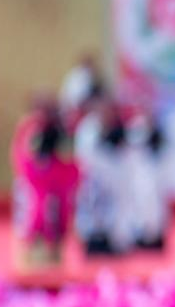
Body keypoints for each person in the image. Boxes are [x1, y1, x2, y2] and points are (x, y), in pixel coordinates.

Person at [11, 97, 80, 267]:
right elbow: (25, 156)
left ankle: (54, 251)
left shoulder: (58, 129)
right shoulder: (30, 128)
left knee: (58, 214)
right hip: (35, 182)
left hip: (55, 182)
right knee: (36, 212)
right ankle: (31, 252)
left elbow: (68, 157)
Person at [73, 98, 138, 256]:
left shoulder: (116, 126)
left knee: (116, 210)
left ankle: (115, 239)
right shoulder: (88, 128)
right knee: (93, 210)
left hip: (112, 178)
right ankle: (92, 238)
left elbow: (124, 153)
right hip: (94, 178)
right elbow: (87, 154)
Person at [126, 109, 173, 250]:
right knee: (140, 204)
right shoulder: (135, 130)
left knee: (156, 206)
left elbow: (167, 155)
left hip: (156, 177)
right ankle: (141, 235)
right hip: (138, 176)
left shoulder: (160, 133)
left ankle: (156, 235)